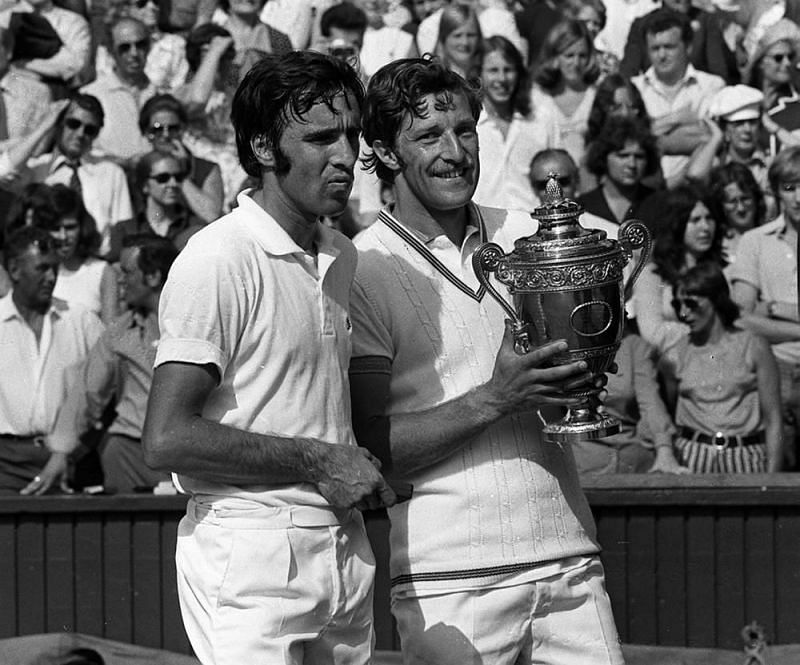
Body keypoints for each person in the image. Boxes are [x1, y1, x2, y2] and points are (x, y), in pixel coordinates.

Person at [352, 56, 624, 665]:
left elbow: (621, 271)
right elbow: (371, 446)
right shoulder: (360, 267)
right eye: (428, 136)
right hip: (449, 581)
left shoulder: (532, 235)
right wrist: (496, 397)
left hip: (570, 560)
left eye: (465, 131)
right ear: (385, 152)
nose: (455, 151)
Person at [141, 51, 396, 664]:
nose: (344, 156)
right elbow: (166, 438)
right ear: (261, 147)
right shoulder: (218, 258)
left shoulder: (343, 255)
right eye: (319, 138)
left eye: (351, 135)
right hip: (249, 549)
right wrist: (319, 460)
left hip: (343, 548)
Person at [50, 235, 178, 494]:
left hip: (187, 455)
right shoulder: (118, 333)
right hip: (130, 454)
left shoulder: (195, 324)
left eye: (127, 272)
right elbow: (86, 393)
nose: (120, 280)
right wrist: (60, 452)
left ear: (153, 277)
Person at [0, 225, 102, 495]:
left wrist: (71, 452)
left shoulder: (81, 321)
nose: (51, 277)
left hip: (72, 461)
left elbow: (109, 393)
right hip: (4, 464)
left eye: (54, 268)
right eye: (42, 268)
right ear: (14, 270)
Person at [661, 262, 783, 472]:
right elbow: (669, 413)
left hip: (746, 455)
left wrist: (771, 480)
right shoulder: (673, 356)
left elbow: (774, 420)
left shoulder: (754, 346)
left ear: (715, 300)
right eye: (677, 305)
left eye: (691, 303)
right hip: (693, 456)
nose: (683, 313)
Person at [729, 145, 800, 470]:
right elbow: (742, 318)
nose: (798, 197)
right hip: (777, 371)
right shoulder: (754, 241)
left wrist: (772, 306)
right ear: (776, 192)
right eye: (789, 188)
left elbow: (756, 313)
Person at [13, 94, 134, 257]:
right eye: (73, 124)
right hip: (45, 260)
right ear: (59, 124)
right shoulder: (36, 169)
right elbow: (3, 171)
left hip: (95, 262)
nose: (80, 134)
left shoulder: (111, 173)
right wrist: (45, 126)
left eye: (90, 130)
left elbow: (123, 228)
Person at [631, 8, 725, 187]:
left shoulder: (711, 87)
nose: (662, 55)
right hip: (648, 191)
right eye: (655, 48)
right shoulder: (635, 88)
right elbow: (630, 141)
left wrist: (652, 129)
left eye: (669, 47)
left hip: (696, 189)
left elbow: (709, 137)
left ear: (688, 47)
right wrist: (678, 119)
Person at [632, 184, 728, 354]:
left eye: (709, 218)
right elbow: (653, 334)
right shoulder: (652, 275)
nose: (705, 227)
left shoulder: (725, 268)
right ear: (677, 223)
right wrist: (709, 330)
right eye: (695, 220)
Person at [472, 35, 552, 212]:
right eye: (493, 70)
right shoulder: (470, 123)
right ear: (479, 74)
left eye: (508, 70)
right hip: (486, 226)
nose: (501, 78)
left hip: (534, 224)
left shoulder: (540, 119)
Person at [138, 94, 224, 223]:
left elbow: (211, 215)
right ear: (146, 132)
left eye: (173, 129)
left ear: (183, 129)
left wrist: (181, 174)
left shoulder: (206, 169)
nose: (166, 135)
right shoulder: (139, 168)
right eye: (158, 129)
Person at [531, 19, 600, 180]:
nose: (576, 63)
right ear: (555, 56)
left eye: (582, 56)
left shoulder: (597, 96)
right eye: (569, 55)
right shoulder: (537, 97)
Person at [81, 17, 157, 162]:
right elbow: (79, 151)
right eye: (124, 48)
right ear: (110, 51)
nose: (134, 53)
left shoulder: (160, 95)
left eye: (140, 45)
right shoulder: (91, 95)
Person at [44, 184, 118, 324]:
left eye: (70, 228)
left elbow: (111, 335)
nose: (63, 236)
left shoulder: (103, 272)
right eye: (55, 229)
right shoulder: (38, 270)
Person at [111, 151, 204, 255]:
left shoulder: (197, 227)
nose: (173, 184)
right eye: (163, 178)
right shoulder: (125, 230)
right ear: (144, 185)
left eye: (178, 177)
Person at [579, 116, 659, 226]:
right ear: (603, 157)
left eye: (639, 157)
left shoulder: (659, 204)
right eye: (623, 156)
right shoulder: (583, 207)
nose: (632, 164)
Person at [743, 19, 800, 154]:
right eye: (778, 57)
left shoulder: (797, 104)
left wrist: (776, 129)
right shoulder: (743, 99)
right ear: (760, 62)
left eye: (791, 57)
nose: (787, 63)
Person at [708, 162, 767, 266]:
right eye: (732, 202)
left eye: (745, 199)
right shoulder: (713, 246)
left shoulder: (771, 237)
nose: (741, 208)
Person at [435, 3, 482, 80]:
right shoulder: (433, 76)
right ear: (443, 38)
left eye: (471, 35)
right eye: (457, 36)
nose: (465, 42)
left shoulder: (489, 72)